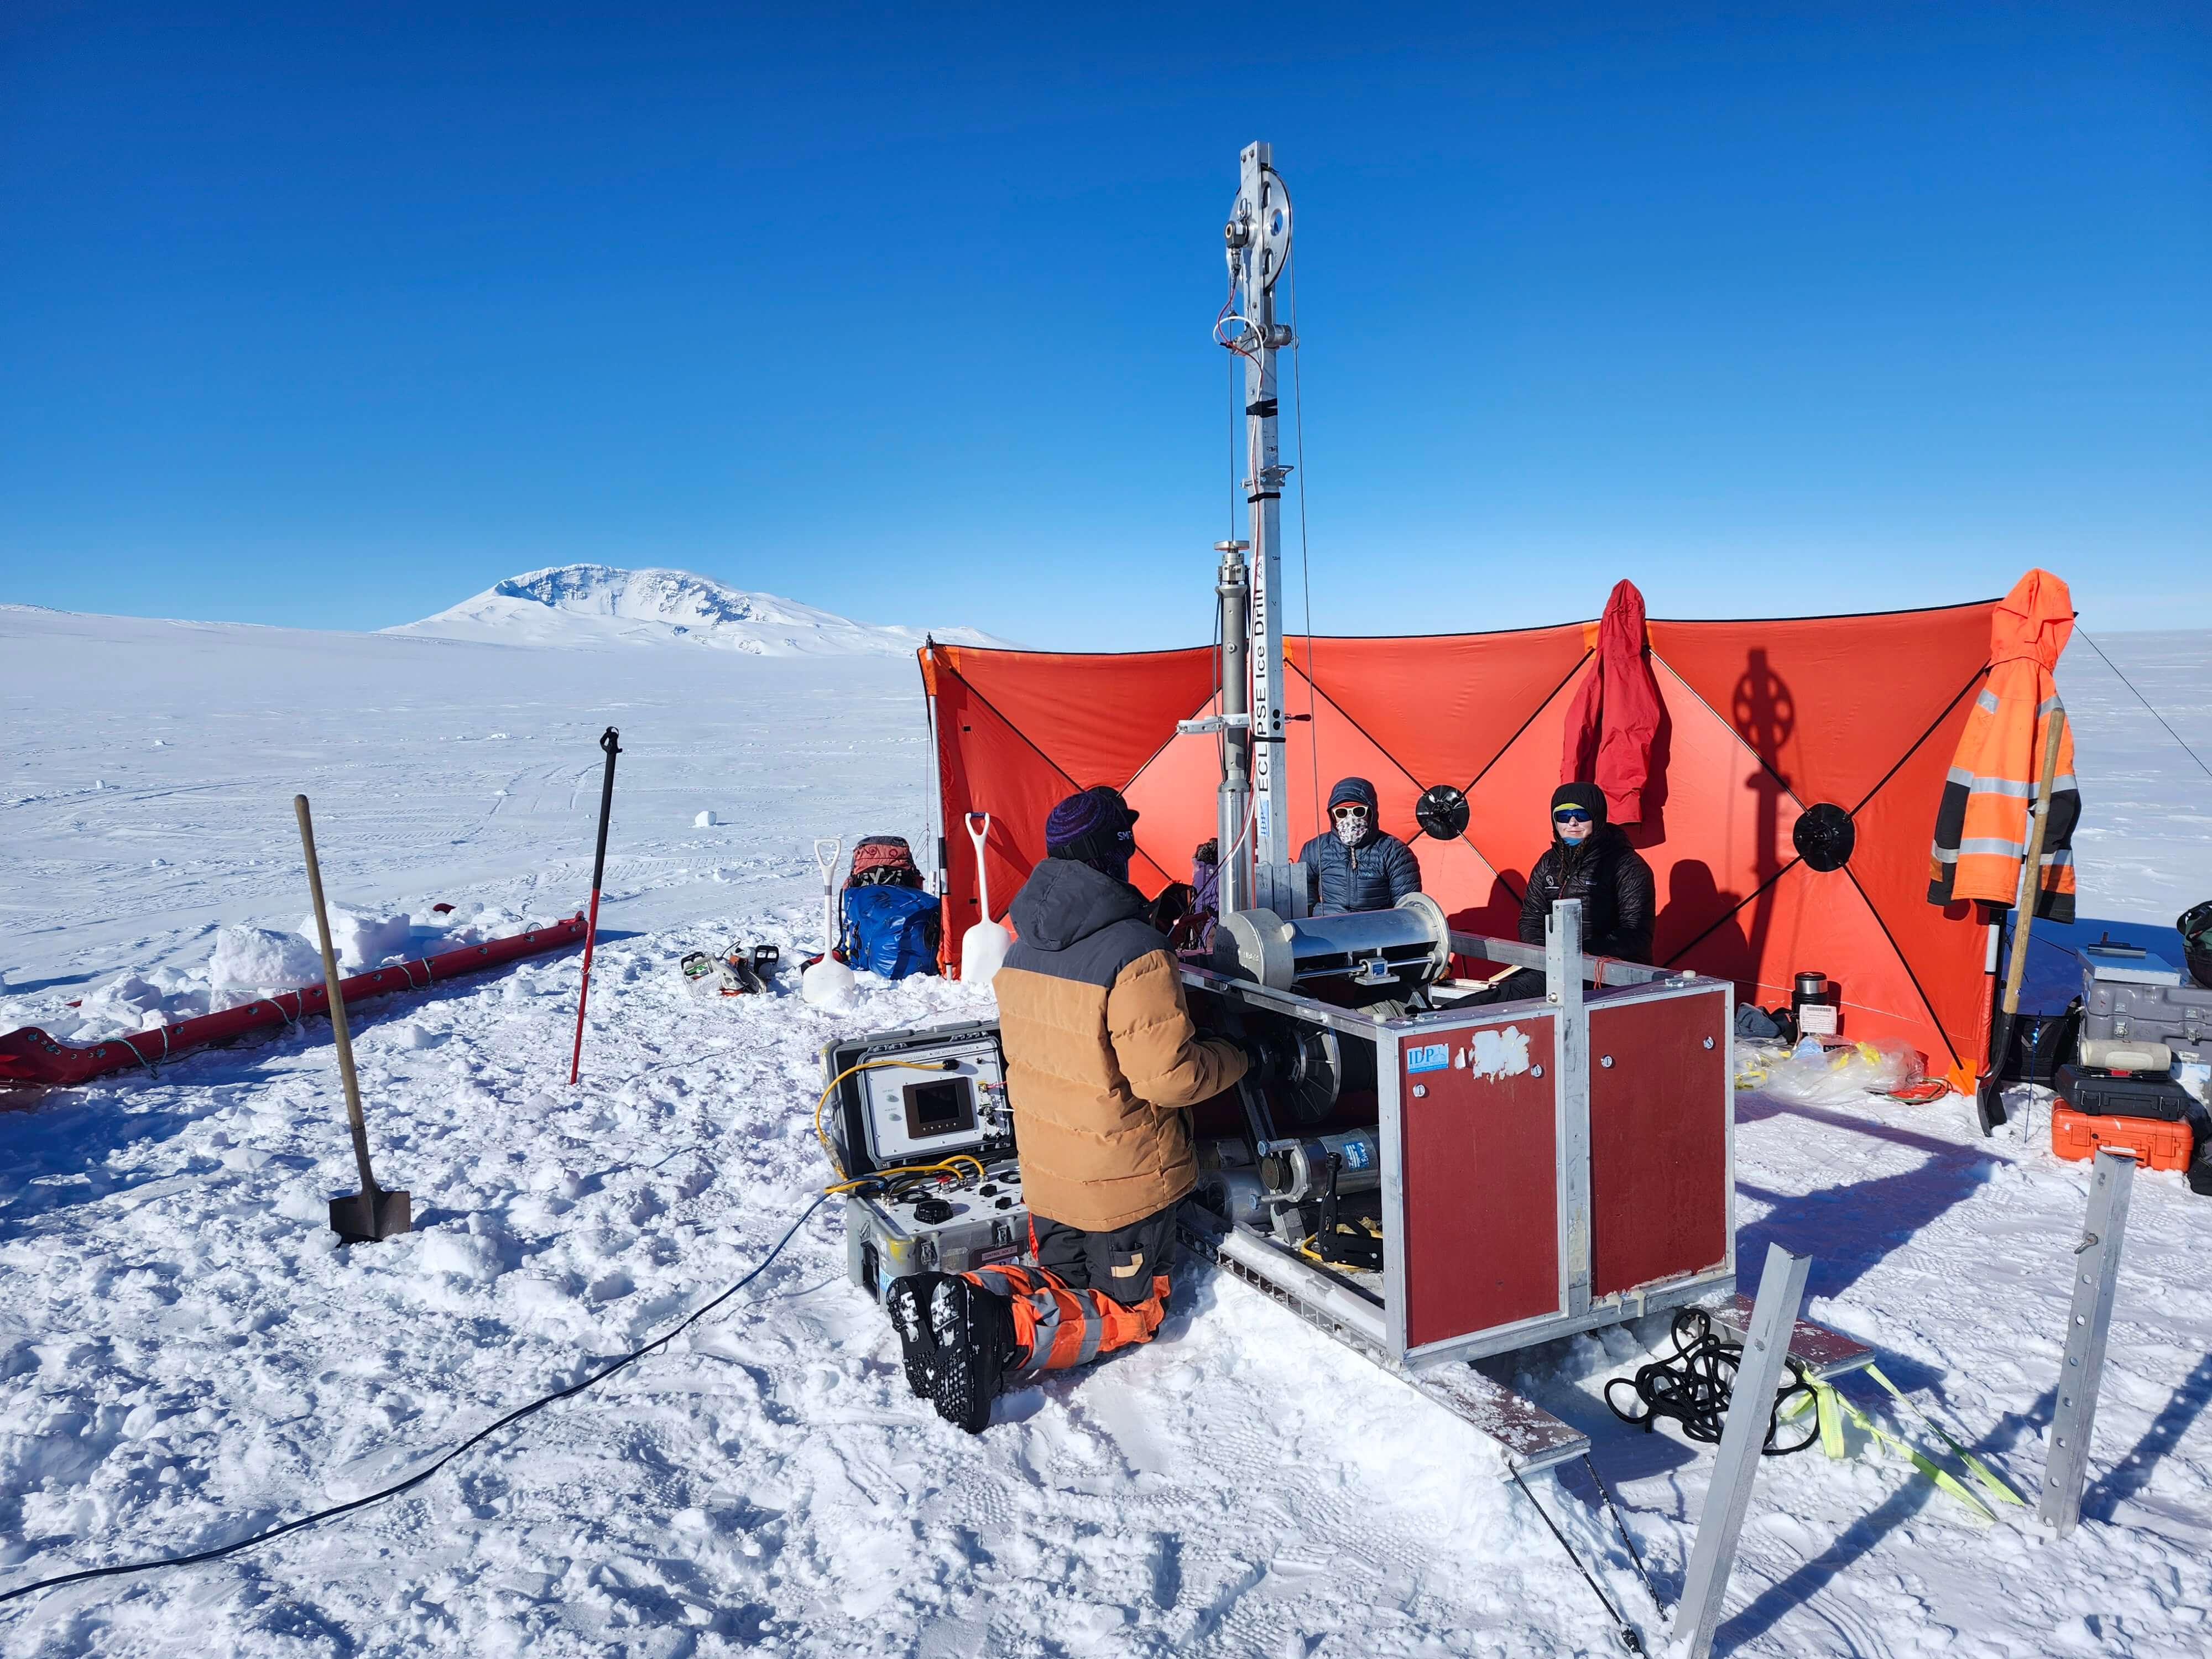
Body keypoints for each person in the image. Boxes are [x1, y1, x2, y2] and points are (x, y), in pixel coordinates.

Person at [887, 785, 1250, 1432]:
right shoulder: (1135, 951)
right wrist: (1242, 1055)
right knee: (1131, 1314)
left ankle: (964, 1296)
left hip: (1050, 1181)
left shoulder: (1020, 947)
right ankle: (995, 1330)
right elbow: (1169, 1078)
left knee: (1067, 1288)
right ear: (1112, 855)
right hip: (1124, 1190)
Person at [1519, 782, 1655, 962]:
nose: (1572, 823)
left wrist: (1581, 953)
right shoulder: (1548, 862)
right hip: (1555, 964)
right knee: (1503, 990)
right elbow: (1531, 918)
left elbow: (1636, 934)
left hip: (1609, 970)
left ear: (1597, 818)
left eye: (1581, 816)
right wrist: (1547, 954)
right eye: (1564, 816)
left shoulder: (1626, 865)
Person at [1297, 777, 1422, 914]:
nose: (1350, 819)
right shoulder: (1315, 849)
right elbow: (1304, 896)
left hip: (1377, 930)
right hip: (1328, 928)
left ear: (1371, 813)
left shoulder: (1395, 852)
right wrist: (1317, 916)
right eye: (1341, 813)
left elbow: (1407, 909)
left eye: (1358, 811)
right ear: (1332, 816)